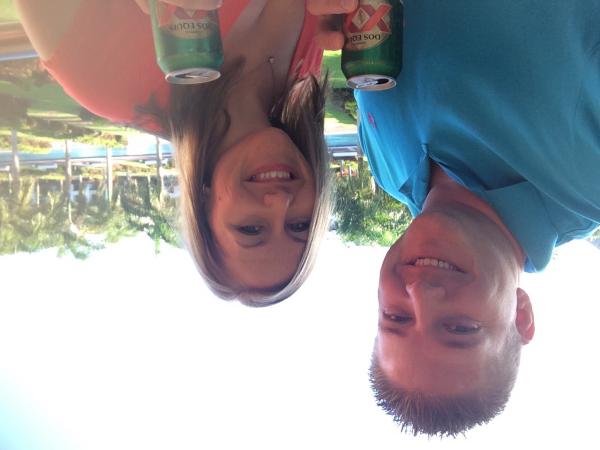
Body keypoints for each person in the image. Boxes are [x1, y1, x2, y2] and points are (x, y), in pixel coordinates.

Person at [309, 0, 600, 436]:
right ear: (521, 316)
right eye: (459, 328)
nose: (420, 292)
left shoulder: (386, 167)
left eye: (396, 318)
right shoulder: (591, 174)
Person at [15, 0, 334, 306]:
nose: (280, 202)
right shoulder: (308, 61)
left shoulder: (107, 81)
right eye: (299, 225)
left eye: (251, 229)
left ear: (203, 205)